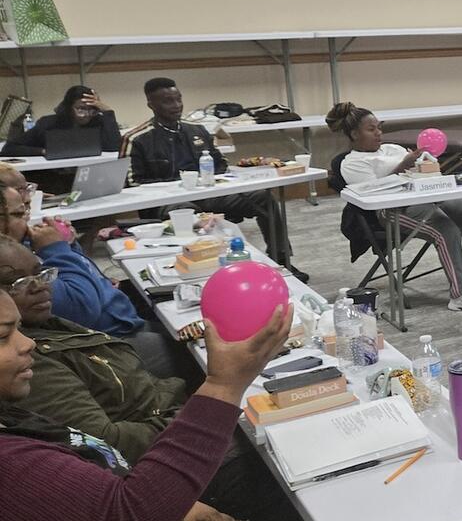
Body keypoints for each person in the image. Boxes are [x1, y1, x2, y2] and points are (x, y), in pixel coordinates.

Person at [0, 237, 340, 521]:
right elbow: (109, 450)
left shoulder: (46, 329)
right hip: (156, 441)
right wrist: (202, 406)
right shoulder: (31, 393)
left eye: (40, 273)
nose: (26, 344)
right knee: (263, 455)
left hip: (160, 419)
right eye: (5, 334)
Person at [2, 185, 193, 381]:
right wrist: (56, 249)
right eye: (19, 212)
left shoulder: (24, 246)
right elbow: (83, 308)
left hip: (121, 324)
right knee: (199, 353)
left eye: (27, 205)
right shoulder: (15, 265)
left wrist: (69, 244)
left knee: (190, 331)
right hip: (103, 342)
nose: (28, 217)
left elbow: (88, 275)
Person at [326, 103, 462, 312]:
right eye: (371, 129)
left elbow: (421, 171)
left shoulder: (392, 148)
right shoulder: (352, 163)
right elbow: (374, 192)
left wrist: (425, 163)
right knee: (446, 230)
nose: (378, 133)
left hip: (427, 196)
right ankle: (460, 294)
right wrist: (404, 165)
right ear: (354, 134)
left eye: (379, 127)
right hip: (393, 209)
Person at [126, 78, 301, 279]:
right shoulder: (138, 138)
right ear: (151, 105)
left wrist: (211, 180)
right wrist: (178, 185)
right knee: (187, 212)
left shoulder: (196, 130)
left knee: (264, 198)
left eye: (178, 99)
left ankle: (281, 259)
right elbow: (134, 183)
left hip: (209, 193)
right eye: (167, 101)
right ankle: (201, 271)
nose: (176, 106)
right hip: (170, 202)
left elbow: (220, 164)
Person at [3, 85, 121, 155]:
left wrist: (107, 111)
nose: (86, 115)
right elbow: (9, 148)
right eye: (81, 109)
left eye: (92, 110)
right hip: (53, 178)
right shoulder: (49, 124)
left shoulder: (98, 122)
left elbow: (114, 147)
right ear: (69, 107)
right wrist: (43, 151)